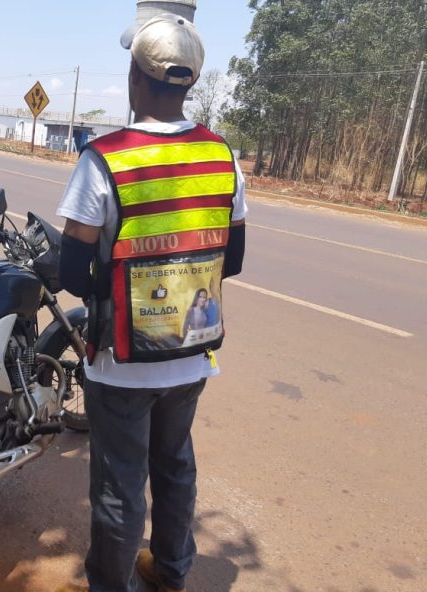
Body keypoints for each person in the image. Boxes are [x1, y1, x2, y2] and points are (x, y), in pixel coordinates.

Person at [54, 9, 247, 592]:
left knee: (118, 486)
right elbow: (231, 261)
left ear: (137, 79)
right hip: (192, 353)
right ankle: (169, 571)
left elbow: (71, 271)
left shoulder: (105, 159)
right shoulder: (222, 157)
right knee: (175, 465)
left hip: (122, 362)